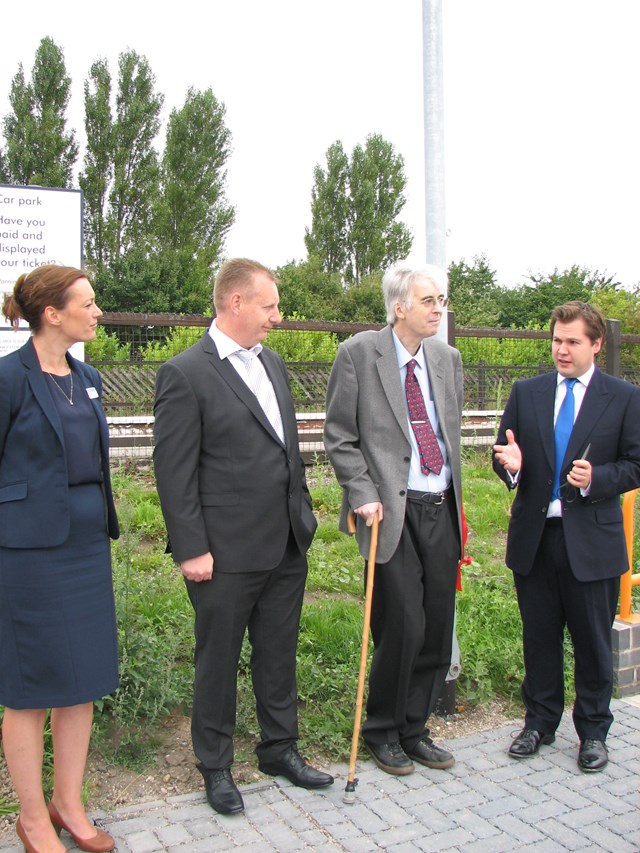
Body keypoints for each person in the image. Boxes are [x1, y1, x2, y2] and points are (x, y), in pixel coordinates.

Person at [153, 258, 333, 816]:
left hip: (284, 542)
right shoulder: (185, 372)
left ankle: (280, 748)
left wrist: (301, 511)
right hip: (223, 553)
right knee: (219, 658)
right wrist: (191, 548)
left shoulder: (271, 363)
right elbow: (173, 470)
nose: (277, 317)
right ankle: (216, 765)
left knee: (277, 654)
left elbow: (286, 449)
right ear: (235, 303)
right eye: (269, 306)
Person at [323, 264, 463, 776]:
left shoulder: (448, 359)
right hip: (388, 512)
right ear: (399, 306)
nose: (438, 309)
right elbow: (339, 434)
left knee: (435, 626)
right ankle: (381, 730)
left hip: (441, 507)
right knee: (401, 623)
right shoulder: (360, 353)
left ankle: (415, 727)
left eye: (441, 300)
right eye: (428, 301)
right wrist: (361, 492)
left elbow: (446, 432)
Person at [0, 265, 119, 853]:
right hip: (26, 553)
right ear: (53, 313)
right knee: (30, 688)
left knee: (82, 680)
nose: (98, 312)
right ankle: (31, 818)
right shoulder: (8, 379)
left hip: (85, 546)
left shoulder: (88, 377)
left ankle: (68, 803)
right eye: (89, 303)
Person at [493, 301, 640, 772]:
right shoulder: (527, 392)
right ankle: (539, 721)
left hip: (592, 541)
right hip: (536, 538)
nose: (562, 350)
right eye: (557, 340)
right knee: (539, 638)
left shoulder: (622, 397)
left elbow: (635, 464)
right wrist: (510, 468)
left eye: (573, 341)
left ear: (596, 345)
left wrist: (597, 477)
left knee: (593, 642)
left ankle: (593, 731)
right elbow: (505, 453)